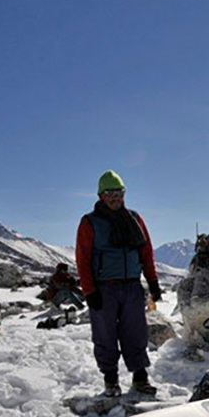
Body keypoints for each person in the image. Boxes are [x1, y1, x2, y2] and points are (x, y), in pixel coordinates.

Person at [76, 170, 162, 397]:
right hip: (104, 288)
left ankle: (140, 377)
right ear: (100, 195)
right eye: (110, 193)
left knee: (136, 333)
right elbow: (82, 258)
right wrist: (89, 290)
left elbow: (146, 252)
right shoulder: (90, 222)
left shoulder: (134, 218)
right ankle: (111, 380)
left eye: (119, 192)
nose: (116, 197)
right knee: (105, 335)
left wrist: (153, 282)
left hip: (132, 286)